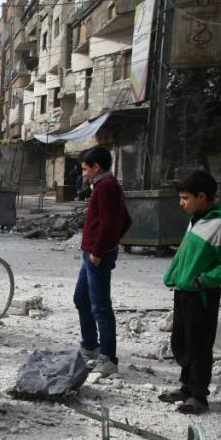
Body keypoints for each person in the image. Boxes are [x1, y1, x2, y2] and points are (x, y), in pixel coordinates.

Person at [159, 171, 221, 414]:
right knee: (183, 341)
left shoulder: (219, 226)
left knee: (199, 344)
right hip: (184, 291)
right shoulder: (196, 220)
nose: (181, 202)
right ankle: (186, 387)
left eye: (185, 197)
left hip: (202, 294)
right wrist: (174, 276)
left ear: (202, 196)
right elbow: (185, 255)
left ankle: (199, 395)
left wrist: (203, 280)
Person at [74, 146, 132, 377]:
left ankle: (108, 359)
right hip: (92, 253)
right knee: (81, 298)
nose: (83, 173)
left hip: (96, 255)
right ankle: (90, 347)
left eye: (85, 169)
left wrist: (101, 250)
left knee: (100, 306)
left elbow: (110, 222)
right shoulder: (106, 185)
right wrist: (110, 243)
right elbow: (125, 220)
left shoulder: (106, 187)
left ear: (96, 167)